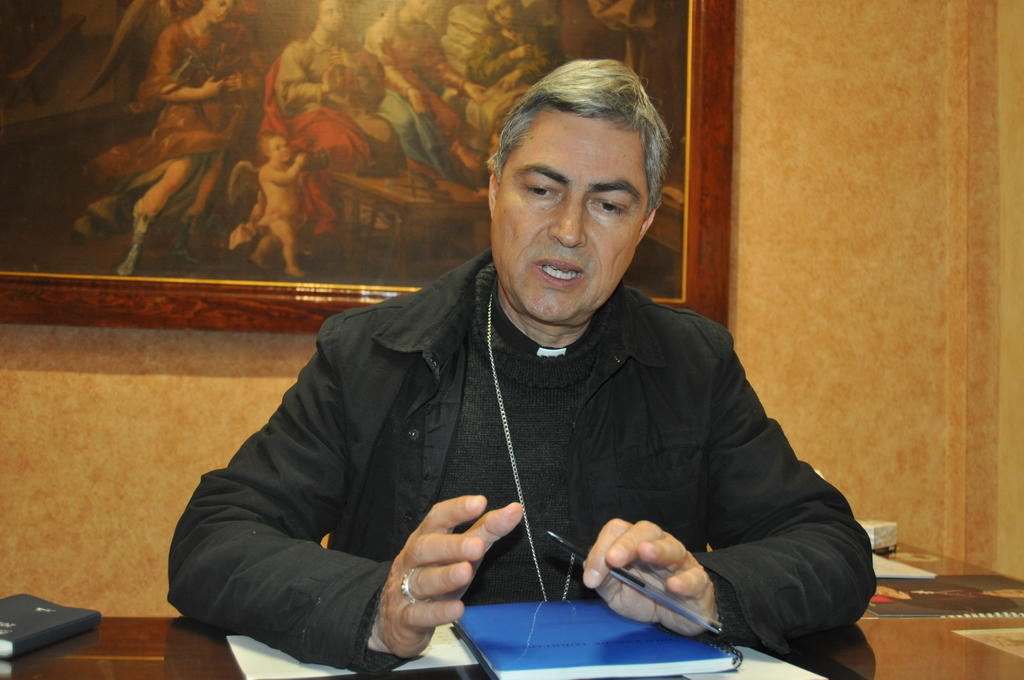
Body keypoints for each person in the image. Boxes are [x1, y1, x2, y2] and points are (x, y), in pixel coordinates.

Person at [168, 59, 874, 672]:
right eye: (541, 190)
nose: (568, 232)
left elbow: (833, 548)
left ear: (645, 223)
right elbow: (214, 538)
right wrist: (377, 607)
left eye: (608, 204)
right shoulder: (371, 355)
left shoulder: (694, 364)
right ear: (493, 188)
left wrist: (706, 592)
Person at [73, 0, 260, 276]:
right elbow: (159, 88)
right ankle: (135, 246)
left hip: (223, 119)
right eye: (221, 3)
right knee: (177, 174)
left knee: (207, 184)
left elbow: (255, 74)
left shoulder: (232, 33)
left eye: (230, 5)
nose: (226, 9)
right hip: (183, 117)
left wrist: (243, 82)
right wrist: (201, 93)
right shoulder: (173, 35)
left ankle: (180, 244)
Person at [262, 0, 402, 239]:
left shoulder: (349, 52)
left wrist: (355, 67)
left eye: (340, 11)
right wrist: (322, 89)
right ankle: (341, 213)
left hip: (347, 113)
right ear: (315, 17)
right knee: (339, 141)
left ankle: (373, 205)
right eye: (330, 12)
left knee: (386, 132)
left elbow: (374, 95)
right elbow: (287, 95)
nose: (338, 16)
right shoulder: (299, 51)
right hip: (310, 115)